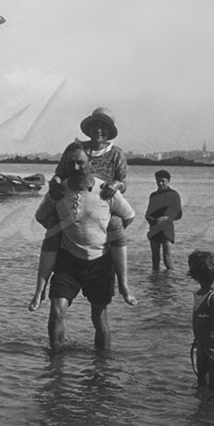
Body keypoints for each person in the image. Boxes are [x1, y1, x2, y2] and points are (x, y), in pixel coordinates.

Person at [29, 106, 135, 311]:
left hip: (103, 201)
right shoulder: (76, 149)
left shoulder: (116, 154)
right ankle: (39, 290)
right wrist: (55, 183)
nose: (99, 130)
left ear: (109, 131)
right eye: (95, 126)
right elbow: (59, 173)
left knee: (115, 226)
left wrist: (115, 185)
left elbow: (123, 181)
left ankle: (124, 285)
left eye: (103, 127)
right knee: (52, 228)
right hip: (73, 197)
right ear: (89, 128)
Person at [34, 141, 136, 351]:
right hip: (68, 262)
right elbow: (41, 216)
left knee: (99, 317)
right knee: (56, 311)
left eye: (80, 163)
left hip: (99, 263)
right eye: (71, 163)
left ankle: (103, 364)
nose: (76, 168)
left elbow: (129, 216)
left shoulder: (105, 190)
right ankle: (55, 362)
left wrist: (107, 232)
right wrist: (59, 229)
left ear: (90, 163)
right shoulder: (58, 191)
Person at [188, 250, 214, 391]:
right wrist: (197, 340)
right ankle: (203, 401)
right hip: (202, 343)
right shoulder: (199, 295)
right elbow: (198, 321)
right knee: (201, 381)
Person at [145, 169, 183, 271]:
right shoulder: (153, 195)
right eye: (158, 181)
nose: (160, 183)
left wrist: (166, 218)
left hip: (167, 230)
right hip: (154, 228)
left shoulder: (173, 194)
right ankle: (155, 278)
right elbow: (148, 212)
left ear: (168, 181)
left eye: (163, 181)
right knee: (155, 258)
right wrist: (149, 218)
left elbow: (179, 214)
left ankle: (170, 278)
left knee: (167, 258)